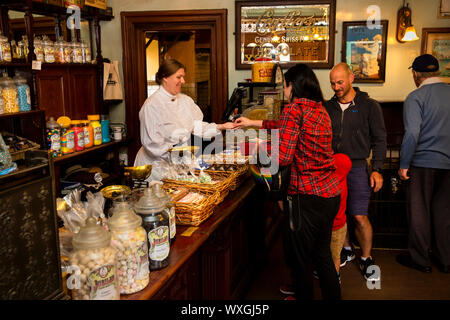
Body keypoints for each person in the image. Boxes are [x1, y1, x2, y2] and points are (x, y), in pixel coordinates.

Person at [235, 63, 341, 300]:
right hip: (330, 194)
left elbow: (283, 157)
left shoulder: (294, 109)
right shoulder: (319, 109)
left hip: (307, 196)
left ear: (293, 86)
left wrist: (257, 150)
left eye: (284, 86)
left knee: (301, 260)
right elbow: (286, 127)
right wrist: (253, 123)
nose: (284, 91)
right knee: (322, 257)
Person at [324, 62, 386, 281]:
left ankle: (366, 258)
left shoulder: (370, 106)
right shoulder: (327, 106)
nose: (336, 87)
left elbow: (380, 140)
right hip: (332, 167)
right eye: (332, 83)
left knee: (359, 216)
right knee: (337, 215)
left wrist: (377, 169)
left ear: (351, 78)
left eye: (340, 82)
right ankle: (347, 249)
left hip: (358, 167)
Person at [396, 54, 450, 274]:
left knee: (419, 211)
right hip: (448, 163)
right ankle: (445, 260)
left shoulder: (416, 97)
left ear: (415, 74)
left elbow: (412, 133)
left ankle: (421, 260)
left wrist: (404, 164)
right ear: (437, 71)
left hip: (423, 162)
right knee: (445, 212)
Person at [134, 59, 235, 166]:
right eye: (179, 77)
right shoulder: (152, 105)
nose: (183, 81)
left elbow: (197, 127)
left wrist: (222, 127)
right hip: (156, 165)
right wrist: (179, 157)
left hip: (179, 161)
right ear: (165, 77)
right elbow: (153, 145)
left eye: (183, 77)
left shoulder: (186, 101)